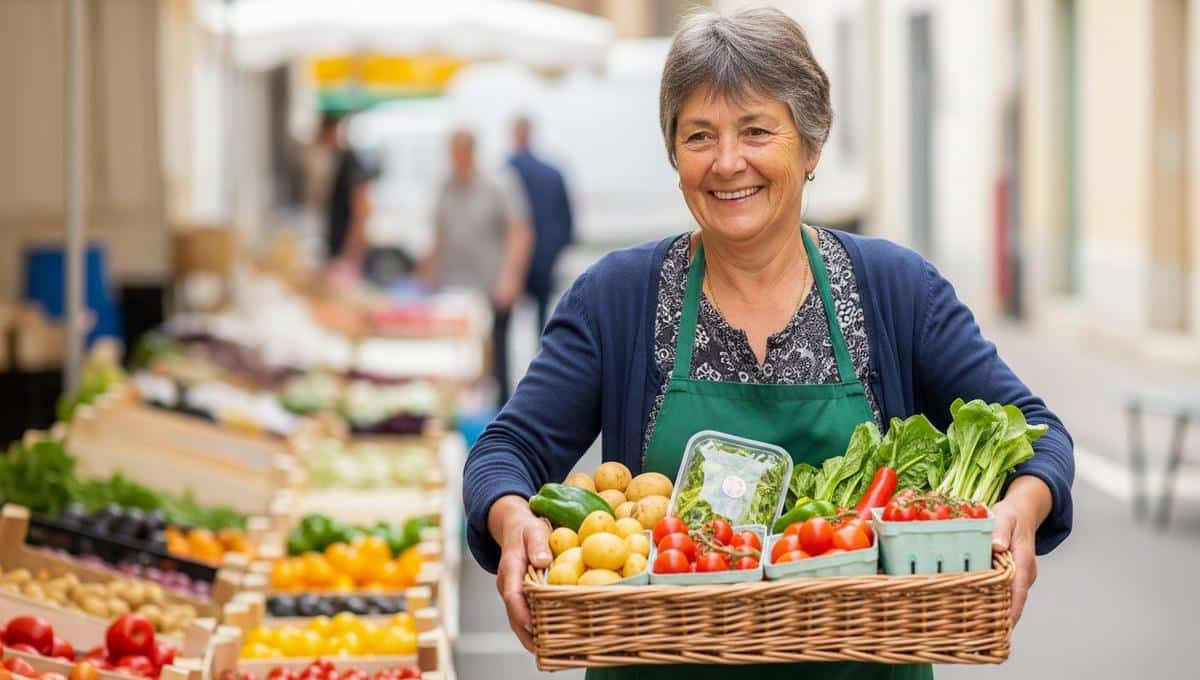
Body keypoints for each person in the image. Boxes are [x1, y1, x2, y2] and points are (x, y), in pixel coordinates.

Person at [463, 8, 1073, 680]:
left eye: (757, 130)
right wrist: (510, 513)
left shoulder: (894, 290)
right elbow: (506, 450)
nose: (728, 163)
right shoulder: (620, 297)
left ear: (811, 146)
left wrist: (1021, 505)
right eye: (699, 136)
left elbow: (1040, 434)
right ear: (674, 153)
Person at [422, 129, 532, 405]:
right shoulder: (446, 186)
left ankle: (501, 412)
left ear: (470, 152)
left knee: (495, 356)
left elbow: (519, 232)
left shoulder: (498, 184)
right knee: (457, 358)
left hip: (489, 285)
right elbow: (439, 232)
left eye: (458, 152)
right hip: (453, 285)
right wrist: (427, 270)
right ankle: (463, 408)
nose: (454, 159)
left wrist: (511, 278)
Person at [507, 116, 574, 334]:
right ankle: (541, 362)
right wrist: (556, 250)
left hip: (512, 257)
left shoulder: (503, 173)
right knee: (543, 318)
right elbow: (567, 220)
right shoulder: (552, 173)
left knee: (504, 322)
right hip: (546, 256)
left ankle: (502, 367)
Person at [315, 112, 371, 274]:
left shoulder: (350, 162)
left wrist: (352, 251)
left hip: (346, 252)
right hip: (336, 250)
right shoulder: (335, 161)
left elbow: (363, 208)